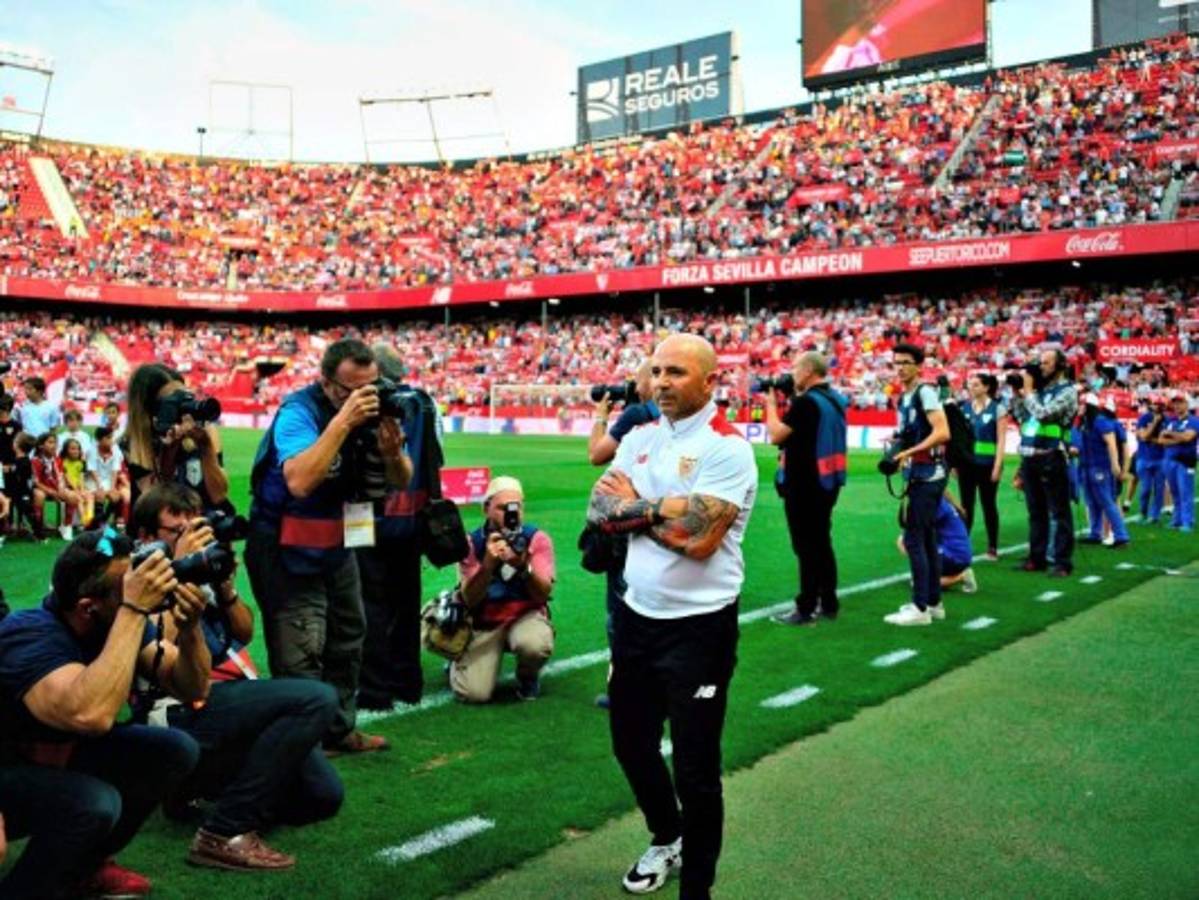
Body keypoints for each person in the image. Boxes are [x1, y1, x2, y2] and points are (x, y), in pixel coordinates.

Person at [587, 334, 757, 900]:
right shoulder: (637, 436)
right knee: (630, 745)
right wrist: (664, 509)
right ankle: (667, 836)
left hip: (700, 629)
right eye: (657, 370)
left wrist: (636, 508)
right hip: (635, 619)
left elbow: (702, 537)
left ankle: (697, 891)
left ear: (710, 381)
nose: (661, 382)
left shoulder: (726, 447)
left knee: (696, 771)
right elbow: (600, 509)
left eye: (677, 372)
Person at [130, 484, 343, 869]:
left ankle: (190, 786)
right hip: (175, 709)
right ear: (146, 535)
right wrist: (178, 568)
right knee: (316, 698)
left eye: (193, 528)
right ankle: (223, 831)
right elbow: (156, 644)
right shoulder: (136, 577)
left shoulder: (200, 565)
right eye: (176, 531)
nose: (189, 538)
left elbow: (243, 632)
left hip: (227, 698)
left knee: (322, 796)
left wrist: (224, 587)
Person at [0, 529, 206, 898]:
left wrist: (190, 631)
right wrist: (133, 609)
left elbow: (192, 688)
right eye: (125, 587)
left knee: (175, 750)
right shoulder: (29, 635)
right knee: (93, 802)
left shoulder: (114, 622)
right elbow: (90, 715)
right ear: (86, 606)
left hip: (57, 758)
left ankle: (84, 867)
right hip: (10, 770)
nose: (137, 590)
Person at [246, 338, 410, 754]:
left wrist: (392, 454)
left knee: (347, 638)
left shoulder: (374, 413)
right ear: (326, 383)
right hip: (287, 550)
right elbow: (299, 481)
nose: (363, 397)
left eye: (370, 386)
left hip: (339, 547)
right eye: (351, 390)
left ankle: (339, 732)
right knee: (301, 651)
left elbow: (402, 478)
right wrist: (343, 423)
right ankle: (301, 748)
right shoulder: (298, 413)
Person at [355, 344, 441, 710]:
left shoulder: (365, 403)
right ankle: (408, 682)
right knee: (405, 602)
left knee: (367, 603)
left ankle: (374, 689)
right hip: (412, 514)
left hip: (363, 514)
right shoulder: (424, 403)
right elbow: (438, 456)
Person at [587, 361, 659, 706]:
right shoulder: (676, 419)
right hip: (661, 519)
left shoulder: (637, 415)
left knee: (621, 610)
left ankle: (625, 689)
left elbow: (596, 454)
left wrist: (601, 414)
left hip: (628, 522)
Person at [451, 476, 555, 703]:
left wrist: (522, 567)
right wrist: (487, 565)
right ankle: (456, 659)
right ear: (486, 508)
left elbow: (543, 594)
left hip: (524, 615)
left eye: (516, 507)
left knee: (534, 644)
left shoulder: (536, 539)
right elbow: (469, 599)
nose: (512, 514)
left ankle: (528, 676)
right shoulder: (471, 542)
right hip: (484, 620)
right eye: (502, 508)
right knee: (473, 694)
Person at [764, 350, 848, 625]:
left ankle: (806, 607)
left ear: (809, 370)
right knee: (822, 542)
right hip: (828, 481)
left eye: (796, 368)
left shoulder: (806, 403)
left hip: (805, 484)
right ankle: (829, 602)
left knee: (806, 547)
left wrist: (770, 405)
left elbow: (776, 434)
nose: (792, 373)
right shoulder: (834, 399)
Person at [883, 343, 951, 627]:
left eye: (906, 362)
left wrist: (909, 453)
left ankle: (920, 607)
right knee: (926, 537)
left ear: (918, 365)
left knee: (914, 538)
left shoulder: (925, 391)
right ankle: (933, 603)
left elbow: (942, 432)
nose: (900, 367)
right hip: (921, 471)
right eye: (896, 362)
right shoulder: (906, 396)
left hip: (928, 472)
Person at [1009, 349, 1078, 576]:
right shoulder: (1038, 391)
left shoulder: (1067, 391)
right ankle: (1036, 558)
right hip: (1031, 455)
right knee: (1035, 511)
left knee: (1059, 511)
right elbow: (1021, 417)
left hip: (1052, 454)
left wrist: (1028, 392)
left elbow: (1044, 415)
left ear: (1060, 366)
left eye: (1047, 363)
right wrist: (1017, 393)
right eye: (1040, 363)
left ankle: (1062, 561)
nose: (1041, 367)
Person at [124, 363, 229, 512]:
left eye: (184, 395)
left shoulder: (206, 432)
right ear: (151, 410)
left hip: (201, 527)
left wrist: (206, 447)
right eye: (173, 401)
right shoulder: (132, 445)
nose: (182, 404)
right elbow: (154, 508)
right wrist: (170, 450)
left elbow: (219, 495)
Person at [958, 373, 1008, 558]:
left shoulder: (998, 409)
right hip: (967, 466)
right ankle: (963, 546)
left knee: (988, 505)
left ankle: (993, 546)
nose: (972, 388)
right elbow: (960, 439)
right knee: (966, 506)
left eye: (976, 385)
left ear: (986, 387)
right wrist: (956, 463)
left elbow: (1002, 440)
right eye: (970, 384)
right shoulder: (964, 408)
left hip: (987, 465)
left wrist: (998, 465)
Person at [896, 495, 977, 593]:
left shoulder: (934, 505)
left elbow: (919, 530)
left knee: (919, 583)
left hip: (954, 557)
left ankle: (961, 576)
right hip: (957, 553)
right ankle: (938, 574)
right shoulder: (939, 500)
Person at [32, 432, 84, 540]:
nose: (54, 445)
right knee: (39, 495)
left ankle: (66, 525)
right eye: (50, 442)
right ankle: (39, 527)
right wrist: (51, 492)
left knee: (73, 496)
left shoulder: (57, 460)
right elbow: (36, 482)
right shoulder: (36, 460)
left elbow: (60, 476)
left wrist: (61, 488)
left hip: (55, 488)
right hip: (41, 488)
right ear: (41, 446)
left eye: (55, 442)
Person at [1159, 392, 1197, 532]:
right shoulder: (1172, 421)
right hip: (1169, 460)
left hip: (1185, 461)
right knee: (1175, 492)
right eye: (1175, 403)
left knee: (1185, 492)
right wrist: (1178, 438)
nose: (1177, 405)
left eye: (1180, 402)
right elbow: (1161, 440)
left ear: (1187, 404)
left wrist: (1170, 435)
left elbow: (1188, 437)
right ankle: (1177, 520)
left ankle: (1187, 522)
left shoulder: (1194, 420)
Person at [88, 425, 132, 528]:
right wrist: (99, 486)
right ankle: (97, 523)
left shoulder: (115, 450)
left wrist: (112, 488)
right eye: (108, 438)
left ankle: (104, 519)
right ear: (100, 440)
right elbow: (92, 470)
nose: (111, 440)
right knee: (100, 495)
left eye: (111, 437)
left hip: (109, 479)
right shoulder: (92, 450)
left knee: (115, 496)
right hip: (93, 480)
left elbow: (115, 471)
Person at [1136, 395, 1168, 524]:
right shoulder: (1144, 418)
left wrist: (1154, 439)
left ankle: (1155, 515)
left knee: (1159, 489)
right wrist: (1155, 422)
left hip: (1160, 458)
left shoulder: (1168, 420)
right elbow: (1143, 436)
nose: (1158, 407)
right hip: (1144, 458)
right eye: (1156, 404)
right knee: (1145, 489)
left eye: (1160, 405)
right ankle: (1143, 512)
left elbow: (1165, 441)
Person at [60, 436, 97, 530]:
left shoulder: (80, 463)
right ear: (66, 450)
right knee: (79, 498)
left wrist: (82, 489)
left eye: (78, 449)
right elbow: (67, 478)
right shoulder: (63, 462)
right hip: (67, 488)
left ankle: (90, 518)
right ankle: (85, 522)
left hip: (78, 487)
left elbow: (81, 478)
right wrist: (77, 490)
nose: (76, 451)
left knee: (90, 496)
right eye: (72, 449)